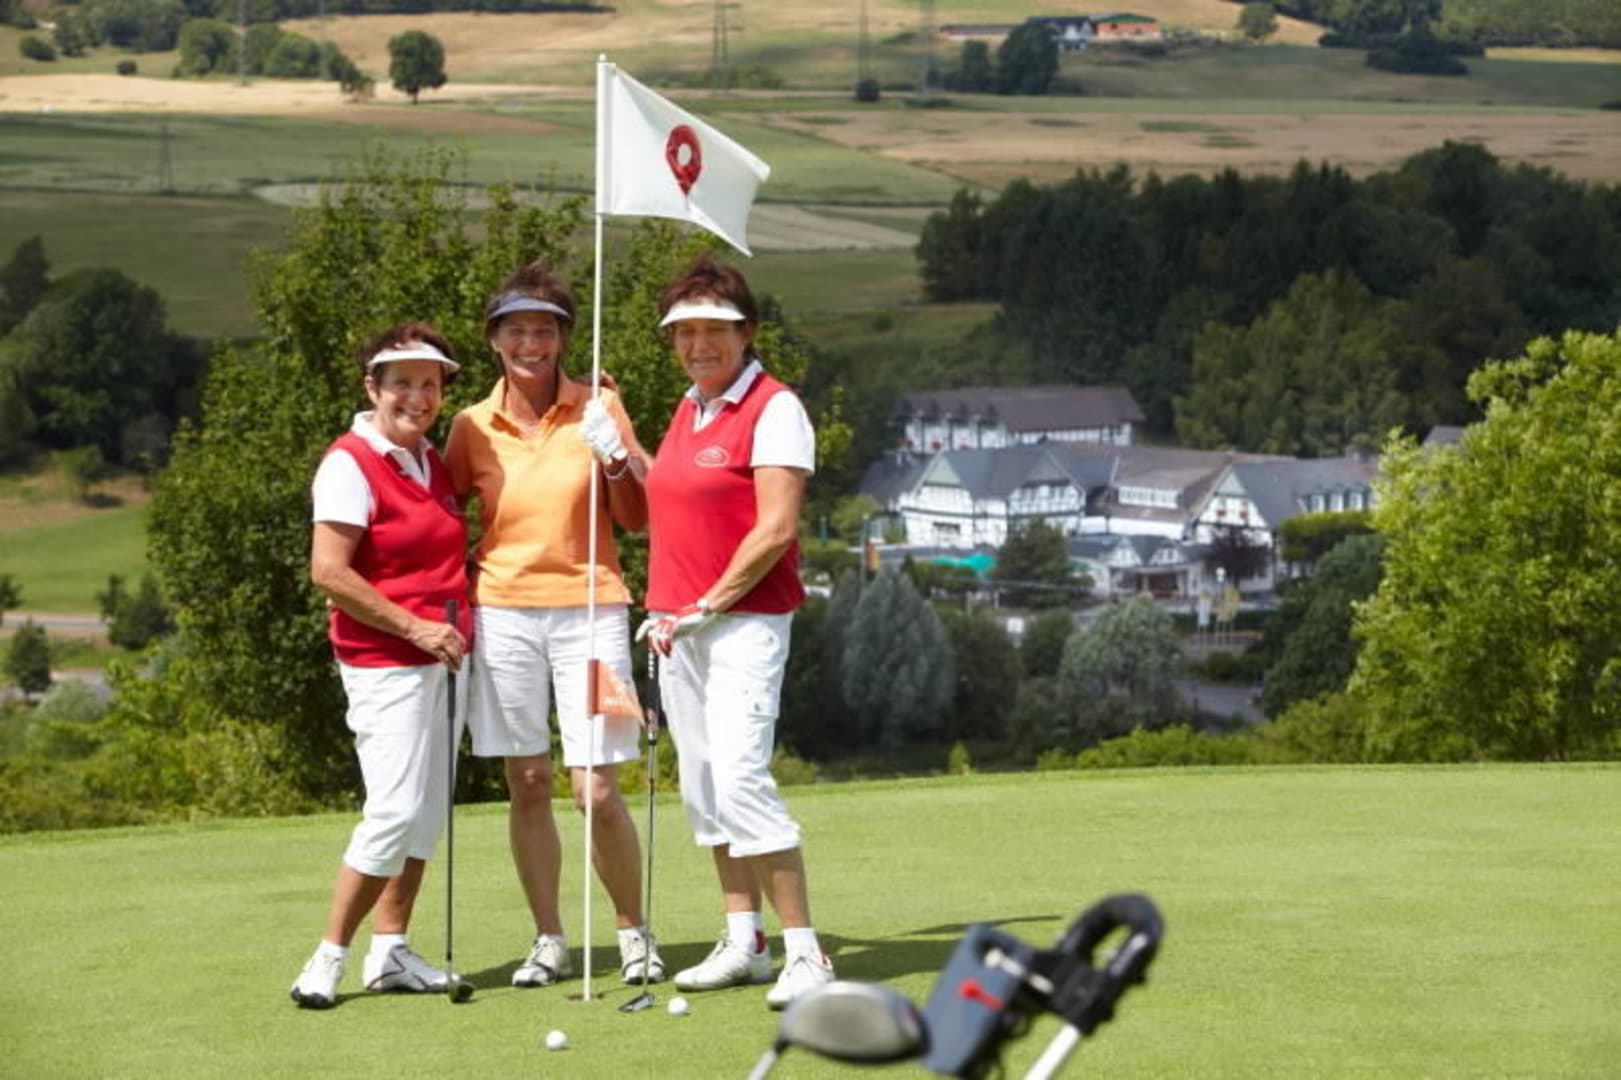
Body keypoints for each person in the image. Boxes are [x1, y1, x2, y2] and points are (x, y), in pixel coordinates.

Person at [444, 260, 665, 990]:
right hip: (504, 612)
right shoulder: (470, 425)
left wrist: (615, 458)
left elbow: (637, 516)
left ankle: (632, 931)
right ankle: (549, 939)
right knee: (529, 780)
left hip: (593, 611)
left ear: (565, 338)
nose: (531, 344)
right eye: (516, 330)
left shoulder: (600, 404)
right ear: (493, 339)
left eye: (545, 330)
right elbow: (440, 515)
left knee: (595, 788)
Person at [633, 253, 835, 1010]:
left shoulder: (774, 408)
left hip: (743, 622)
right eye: (684, 332)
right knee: (705, 784)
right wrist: (620, 449)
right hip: (679, 625)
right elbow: (674, 503)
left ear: (746, 331)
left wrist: (709, 603)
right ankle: (743, 939)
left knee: (743, 778)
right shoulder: (689, 409)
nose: (698, 344)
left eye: (713, 329)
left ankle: (805, 952)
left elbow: (775, 529)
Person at [290, 323, 471, 1009]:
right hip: (385, 662)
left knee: (424, 812)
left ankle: (390, 951)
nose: (417, 397)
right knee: (393, 810)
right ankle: (328, 956)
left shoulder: (430, 460)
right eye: (402, 383)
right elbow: (329, 573)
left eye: (429, 384)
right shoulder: (350, 463)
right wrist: (415, 628)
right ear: (373, 387)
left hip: (444, 658)